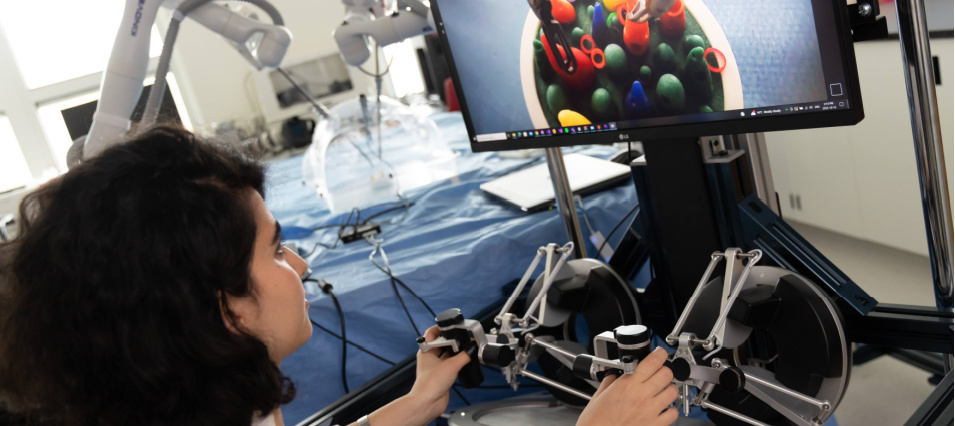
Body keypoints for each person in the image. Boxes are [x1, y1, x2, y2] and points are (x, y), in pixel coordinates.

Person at [0, 124, 676, 426]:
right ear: (221, 311)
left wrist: (415, 401)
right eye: (273, 253)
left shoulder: (191, 397)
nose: (299, 264)